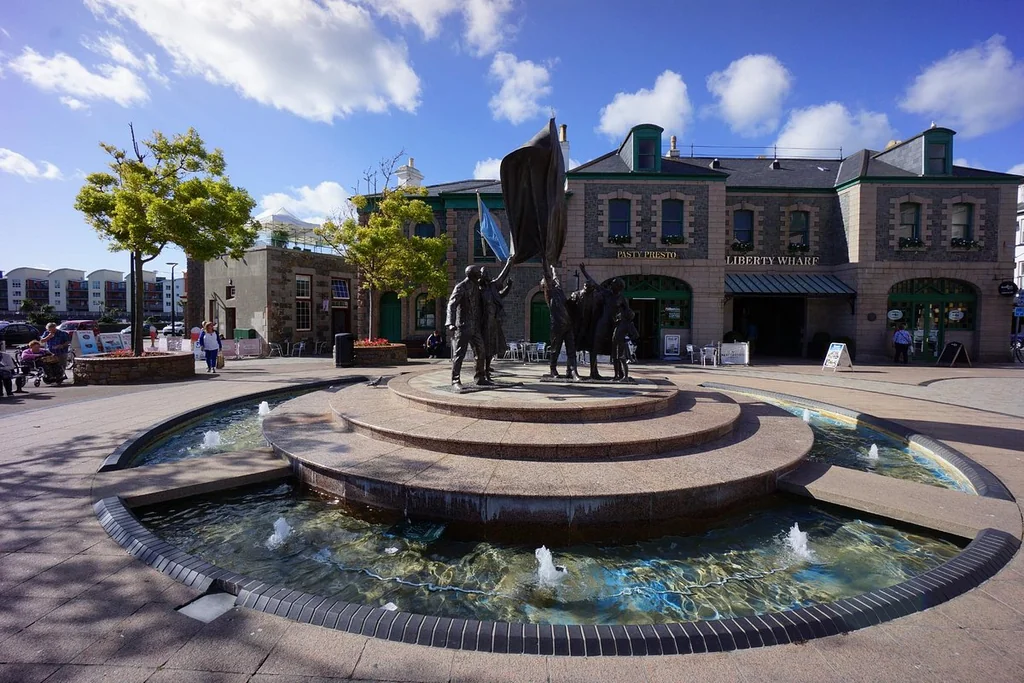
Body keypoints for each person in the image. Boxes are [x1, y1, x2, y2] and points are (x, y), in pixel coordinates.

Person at [446, 266, 488, 389]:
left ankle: (480, 377)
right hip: (463, 326)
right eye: (478, 274)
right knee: (459, 354)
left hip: (475, 327)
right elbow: (451, 305)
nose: (480, 276)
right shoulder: (461, 287)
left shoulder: (478, 287)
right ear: (472, 275)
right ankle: (455, 380)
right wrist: (450, 323)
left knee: (481, 352)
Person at [541, 265, 580, 380]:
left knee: (571, 350)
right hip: (557, 326)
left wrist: (553, 269)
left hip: (568, 324)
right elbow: (549, 278)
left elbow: (556, 278)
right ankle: (553, 370)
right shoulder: (549, 293)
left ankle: (572, 371)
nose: (553, 281)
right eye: (549, 281)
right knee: (555, 349)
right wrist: (546, 265)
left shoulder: (558, 289)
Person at [479, 261, 513, 381]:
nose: (487, 275)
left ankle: (487, 370)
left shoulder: (492, 287)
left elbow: (500, 294)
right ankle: (481, 371)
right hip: (483, 323)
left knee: (493, 347)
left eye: (487, 273)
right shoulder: (479, 291)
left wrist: (509, 262)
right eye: (485, 273)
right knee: (484, 347)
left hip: (494, 321)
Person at [612, 307, 640, 383]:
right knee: (616, 359)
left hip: (621, 344)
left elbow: (636, 335)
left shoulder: (629, 324)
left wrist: (626, 340)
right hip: (616, 343)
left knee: (622, 359)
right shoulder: (620, 322)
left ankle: (626, 377)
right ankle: (617, 375)